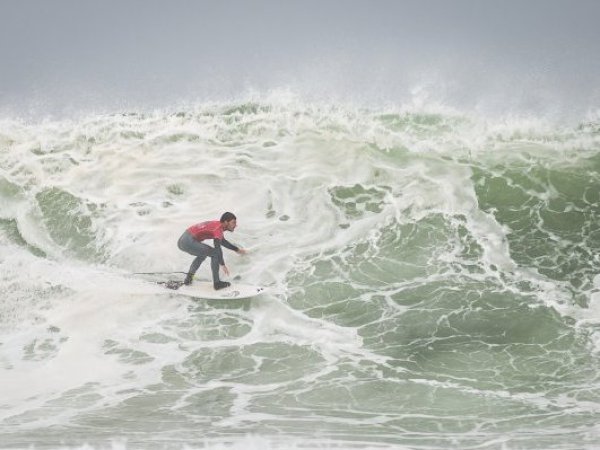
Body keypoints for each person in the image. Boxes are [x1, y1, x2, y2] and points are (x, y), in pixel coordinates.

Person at [177, 212, 247, 289]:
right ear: (226, 222)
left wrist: (236, 249)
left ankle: (189, 278)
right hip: (187, 241)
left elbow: (222, 242)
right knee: (214, 253)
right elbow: (217, 248)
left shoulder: (218, 226)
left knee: (203, 254)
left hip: (183, 240)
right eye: (233, 223)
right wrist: (222, 264)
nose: (235, 225)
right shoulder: (217, 229)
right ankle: (217, 283)